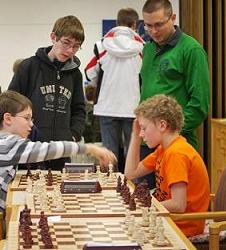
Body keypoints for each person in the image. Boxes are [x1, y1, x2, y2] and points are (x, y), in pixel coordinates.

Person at [0, 90, 117, 243]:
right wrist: (89, 148)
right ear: (8, 119)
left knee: (38, 225)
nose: (31, 124)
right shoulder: (8, 144)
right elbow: (47, 149)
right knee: (43, 229)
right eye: (27, 118)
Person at [138, 0, 210, 188]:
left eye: (159, 24)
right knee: (145, 205)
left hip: (176, 143)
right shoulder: (148, 48)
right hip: (148, 143)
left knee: (173, 209)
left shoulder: (191, 50)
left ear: (173, 18)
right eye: (148, 26)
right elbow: (144, 93)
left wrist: (169, 134)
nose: (153, 31)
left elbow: (199, 105)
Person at [124, 94, 210, 237]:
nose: (141, 134)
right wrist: (135, 136)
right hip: (167, 220)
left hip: (182, 228)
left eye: (144, 128)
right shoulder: (164, 150)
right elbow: (130, 173)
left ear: (162, 125)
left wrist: (144, 205)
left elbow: (178, 205)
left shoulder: (176, 154)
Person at [8, 15, 86, 170]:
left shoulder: (75, 74)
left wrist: (73, 135)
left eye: (76, 46)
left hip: (61, 150)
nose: (70, 50)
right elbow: (10, 104)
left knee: (59, 193)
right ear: (53, 37)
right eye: (66, 43)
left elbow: (79, 110)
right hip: (30, 149)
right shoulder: (28, 67)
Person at [85, 8, 144, 173]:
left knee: (109, 155)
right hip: (133, 108)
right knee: (132, 152)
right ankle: (131, 190)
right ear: (135, 24)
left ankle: (110, 189)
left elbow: (89, 74)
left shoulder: (101, 45)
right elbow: (145, 76)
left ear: (117, 23)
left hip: (107, 107)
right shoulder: (142, 48)